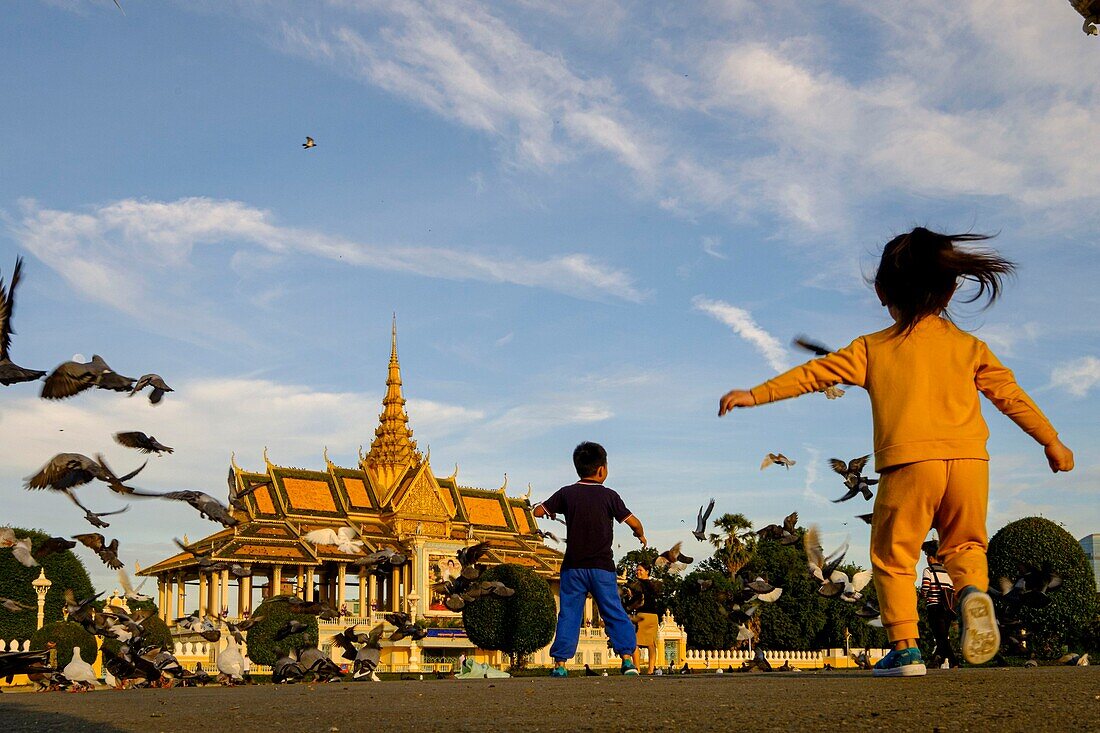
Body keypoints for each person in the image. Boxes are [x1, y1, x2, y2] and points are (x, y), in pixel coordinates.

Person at [718, 227, 1074, 678]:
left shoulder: (872, 348)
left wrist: (754, 394)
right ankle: (970, 595)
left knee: (893, 557)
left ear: (883, 291)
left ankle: (906, 650)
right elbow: (1011, 397)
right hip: (969, 464)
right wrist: (1051, 440)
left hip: (909, 465)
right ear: (951, 288)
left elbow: (814, 374)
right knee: (965, 544)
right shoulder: (970, 347)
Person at [534, 441, 647, 677]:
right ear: (602, 470)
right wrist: (640, 534)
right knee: (613, 611)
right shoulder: (609, 496)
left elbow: (538, 511)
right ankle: (627, 660)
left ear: (578, 468)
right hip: (602, 567)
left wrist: (548, 511)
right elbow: (633, 521)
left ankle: (561, 665)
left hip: (573, 567)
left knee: (569, 614)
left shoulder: (566, 493)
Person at [920, 539, 959, 669]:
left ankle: (954, 661)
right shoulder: (948, 571)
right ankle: (939, 660)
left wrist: (922, 596)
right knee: (943, 635)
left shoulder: (928, 571)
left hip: (934, 607)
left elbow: (925, 589)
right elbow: (953, 590)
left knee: (940, 637)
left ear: (931, 558)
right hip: (947, 609)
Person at [630, 562, 662, 674]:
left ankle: (637, 668)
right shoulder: (654, 584)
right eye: (637, 570)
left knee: (635, 643)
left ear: (647, 571)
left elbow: (635, 600)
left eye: (640, 570)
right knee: (651, 644)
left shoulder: (637, 585)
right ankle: (651, 669)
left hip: (642, 616)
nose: (637, 572)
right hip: (653, 616)